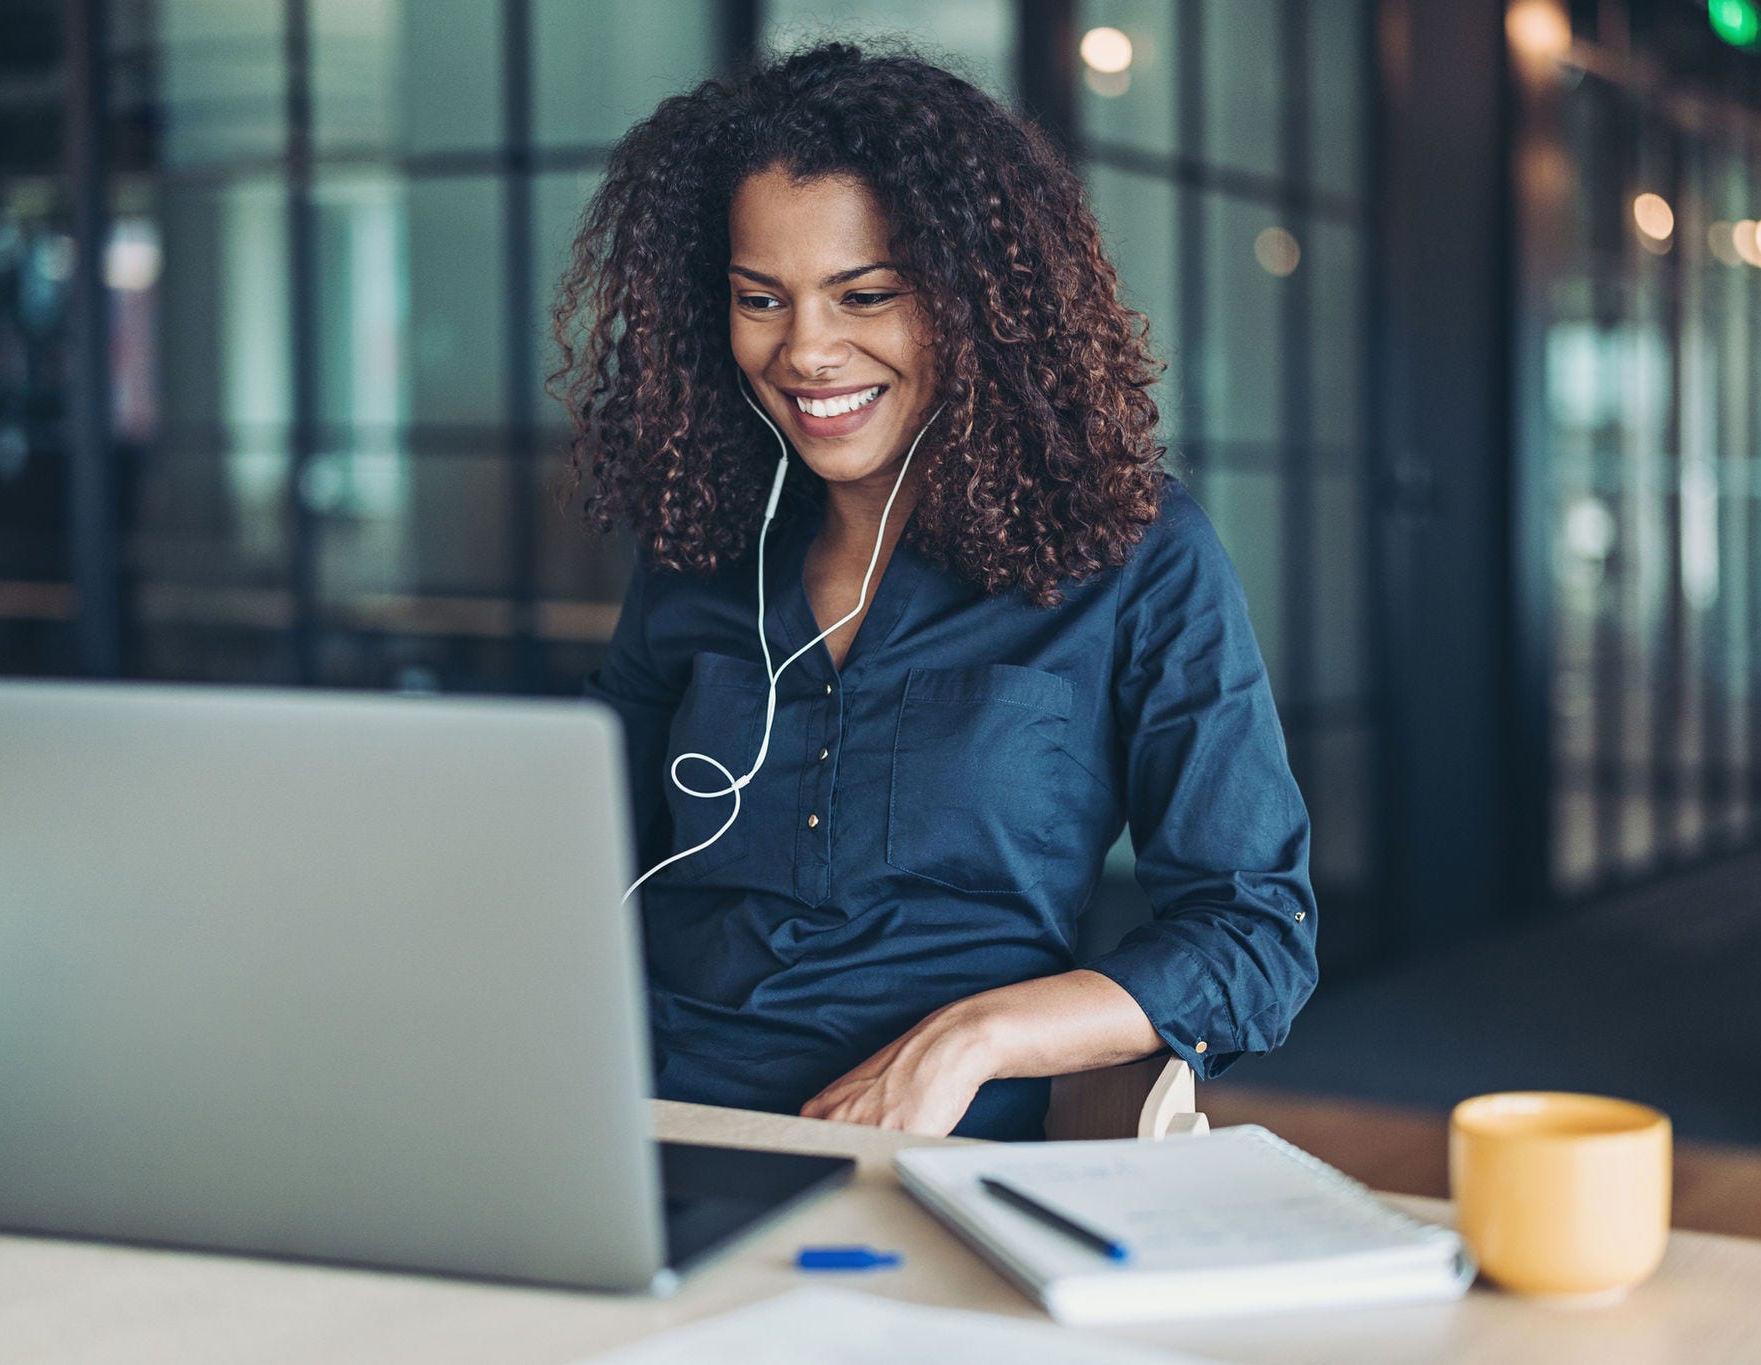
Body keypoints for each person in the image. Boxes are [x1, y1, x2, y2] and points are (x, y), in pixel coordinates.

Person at [552, 42, 1316, 1141]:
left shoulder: (1132, 555)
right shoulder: (700, 553)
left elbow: (1254, 936)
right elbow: (567, 856)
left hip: (939, 1162)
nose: (807, 351)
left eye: (865, 295)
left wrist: (972, 1040)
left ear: (973, 301)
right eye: (760, 299)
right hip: (647, 1132)